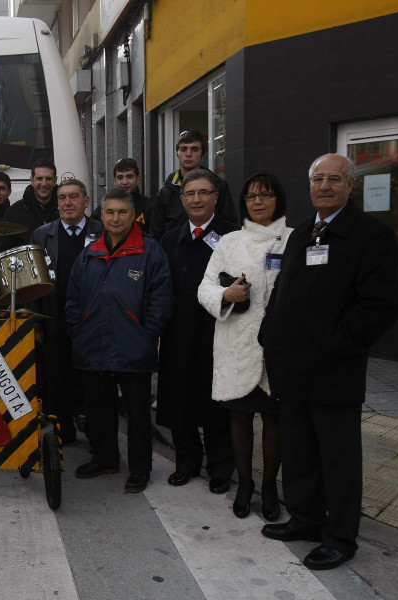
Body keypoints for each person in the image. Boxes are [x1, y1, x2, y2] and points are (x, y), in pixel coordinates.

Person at [259, 154, 398, 571]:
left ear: (349, 186)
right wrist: (270, 332)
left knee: (337, 459)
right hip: (293, 367)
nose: (324, 186)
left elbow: (380, 307)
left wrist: (336, 344)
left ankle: (340, 537)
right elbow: (284, 289)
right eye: (317, 179)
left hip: (335, 369)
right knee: (300, 453)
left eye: (334, 179)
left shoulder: (371, 236)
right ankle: (305, 519)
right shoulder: (304, 231)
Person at [197, 173, 293, 520]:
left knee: (273, 418)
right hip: (237, 342)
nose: (258, 201)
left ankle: (269, 486)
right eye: (251, 196)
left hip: (277, 346)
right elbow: (204, 286)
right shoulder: (229, 241)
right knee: (239, 415)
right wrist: (226, 295)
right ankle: (245, 483)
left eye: (266, 195)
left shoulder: (293, 240)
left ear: (278, 199)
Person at [66, 188, 173, 493]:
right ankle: (105, 458)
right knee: (98, 408)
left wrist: (145, 333)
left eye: (122, 212)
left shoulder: (150, 251)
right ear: (101, 216)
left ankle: (140, 469)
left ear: (133, 215)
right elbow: (73, 297)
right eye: (110, 212)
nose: (115, 218)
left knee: (138, 414)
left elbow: (162, 301)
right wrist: (79, 329)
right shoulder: (89, 253)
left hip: (133, 347)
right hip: (92, 345)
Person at [156, 168, 238, 495]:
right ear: (182, 200)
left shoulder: (232, 238)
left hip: (219, 334)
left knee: (217, 405)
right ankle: (186, 462)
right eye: (190, 194)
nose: (196, 199)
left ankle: (220, 469)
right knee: (180, 403)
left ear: (216, 198)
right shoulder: (169, 239)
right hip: (178, 334)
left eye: (204, 192)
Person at [30, 179, 103, 443]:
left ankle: (95, 432)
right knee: (57, 376)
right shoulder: (42, 234)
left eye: (74, 197)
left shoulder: (101, 230)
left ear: (86, 200)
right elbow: (33, 281)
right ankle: (65, 432)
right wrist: (37, 324)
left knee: (90, 377)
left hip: (92, 318)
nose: (67, 203)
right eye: (62, 198)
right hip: (54, 316)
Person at [152, 130, 235, 240]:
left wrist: (209, 243)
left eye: (194, 149)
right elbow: (156, 233)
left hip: (213, 253)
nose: (188, 154)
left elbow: (230, 227)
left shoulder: (218, 186)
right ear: (177, 153)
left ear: (202, 154)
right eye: (183, 149)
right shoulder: (166, 191)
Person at [0, 158, 59, 249]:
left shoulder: (65, 209)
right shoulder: (13, 213)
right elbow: (4, 250)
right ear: (32, 180)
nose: (44, 183)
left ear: (55, 181)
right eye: (39, 178)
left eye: (48, 179)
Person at [91, 158, 156, 234]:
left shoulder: (149, 207)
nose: (124, 182)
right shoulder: (104, 207)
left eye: (129, 176)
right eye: (120, 177)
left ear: (138, 179)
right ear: (114, 181)